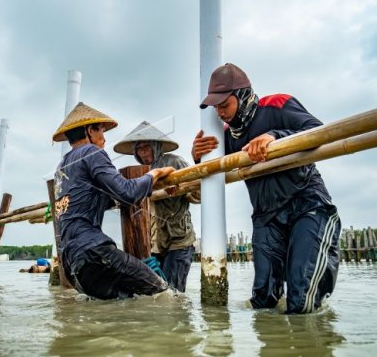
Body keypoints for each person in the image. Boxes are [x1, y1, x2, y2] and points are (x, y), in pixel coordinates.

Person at [192, 63, 341, 314]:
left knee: (301, 297)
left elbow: (320, 131)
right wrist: (198, 157)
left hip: (308, 206)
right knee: (262, 300)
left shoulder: (277, 105)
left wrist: (274, 136)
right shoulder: (226, 135)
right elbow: (213, 171)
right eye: (215, 107)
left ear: (242, 95)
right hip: (266, 216)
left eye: (224, 104)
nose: (219, 113)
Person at [52, 102, 175, 300]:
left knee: (126, 302)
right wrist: (154, 174)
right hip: (93, 252)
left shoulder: (62, 168)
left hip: (71, 263)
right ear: (88, 130)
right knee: (163, 293)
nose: (104, 138)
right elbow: (127, 192)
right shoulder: (91, 152)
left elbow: (99, 198)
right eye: (100, 130)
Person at [114, 121, 197, 292]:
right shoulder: (137, 173)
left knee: (174, 293)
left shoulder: (175, 162)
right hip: (154, 242)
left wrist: (180, 189)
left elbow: (197, 193)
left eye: (147, 147)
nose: (143, 151)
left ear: (156, 146)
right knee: (156, 293)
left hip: (179, 239)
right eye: (139, 148)